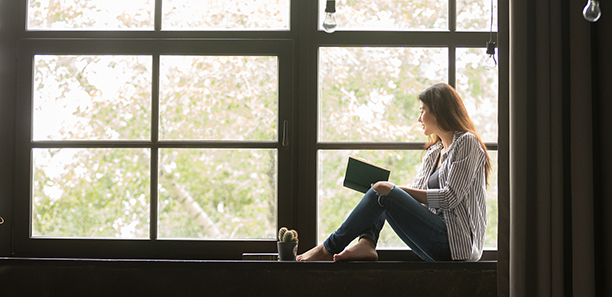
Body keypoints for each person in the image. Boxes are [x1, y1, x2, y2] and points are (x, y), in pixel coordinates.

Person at [296, 83, 491, 262]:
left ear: (439, 111)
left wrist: (390, 190)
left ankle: (328, 249)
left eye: (423, 110)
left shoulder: (467, 142)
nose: (418, 118)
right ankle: (366, 242)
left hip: (456, 244)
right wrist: (386, 190)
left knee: (383, 191)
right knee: (381, 191)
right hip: (433, 238)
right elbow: (415, 199)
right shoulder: (433, 152)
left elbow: (450, 198)